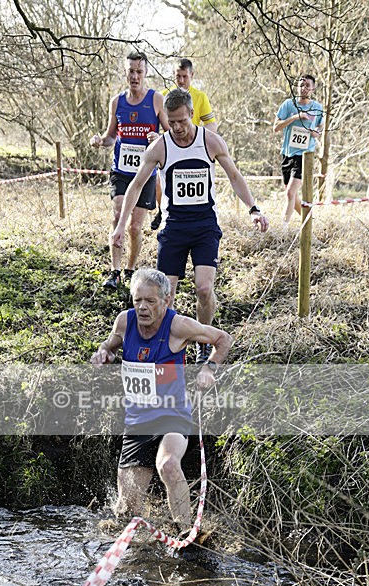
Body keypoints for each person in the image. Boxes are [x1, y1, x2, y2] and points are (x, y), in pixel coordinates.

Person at [111, 88, 268, 364]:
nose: (177, 128)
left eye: (182, 121)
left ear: (192, 114)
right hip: (173, 227)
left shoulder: (211, 141)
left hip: (204, 225)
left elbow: (234, 175)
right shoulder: (160, 147)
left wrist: (253, 209)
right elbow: (136, 185)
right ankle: (162, 347)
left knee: (204, 289)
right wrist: (121, 225)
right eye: (171, 122)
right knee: (164, 295)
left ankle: (204, 343)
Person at [91, 268, 232, 532]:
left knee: (167, 464)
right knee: (125, 510)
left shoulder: (178, 326)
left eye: (150, 301)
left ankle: (186, 532)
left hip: (172, 414)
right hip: (137, 421)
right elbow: (108, 347)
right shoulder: (124, 322)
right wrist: (103, 355)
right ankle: (139, 541)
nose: (142, 307)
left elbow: (222, 339)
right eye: (137, 300)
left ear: (166, 300)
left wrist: (208, 369)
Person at [90, 51, 168, 290]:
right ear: (125, 73)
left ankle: (130, 270)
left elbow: (170, 133)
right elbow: (111, 136)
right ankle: (114, 272)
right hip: (121, 171)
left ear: (145, 73)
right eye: (131, 72)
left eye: (139, 72)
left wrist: (159, 138)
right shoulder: (117, 102)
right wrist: (99, 141)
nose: (135, 76)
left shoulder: (156, 99)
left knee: (135, 226)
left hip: (145, 173)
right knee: (117, 214)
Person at [151, 57, 217, 231]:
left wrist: (201, 138)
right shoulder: (163, 96)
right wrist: (157, 137)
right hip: (170, 148)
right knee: (158, 181)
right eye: (177, 76)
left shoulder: (200, 97)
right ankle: (162, 211)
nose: (181, 80)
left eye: (184, 76)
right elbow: (155, 124)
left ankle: (199, 215)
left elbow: (211, 124)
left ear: (191, 75)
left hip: (194, 148)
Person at [273, 75, 323, 224]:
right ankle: (309, 222)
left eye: (307, 85)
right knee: (292, 196)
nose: (303, 88)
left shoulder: (317, 108)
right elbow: (276, 127)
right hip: (287, 154)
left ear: (313, 88)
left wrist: (316, 132)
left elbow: (320, 127)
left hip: (304, 155)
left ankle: (283, 227)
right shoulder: (288, 104)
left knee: (290, 192)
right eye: (301, 85)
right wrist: (295, 117)